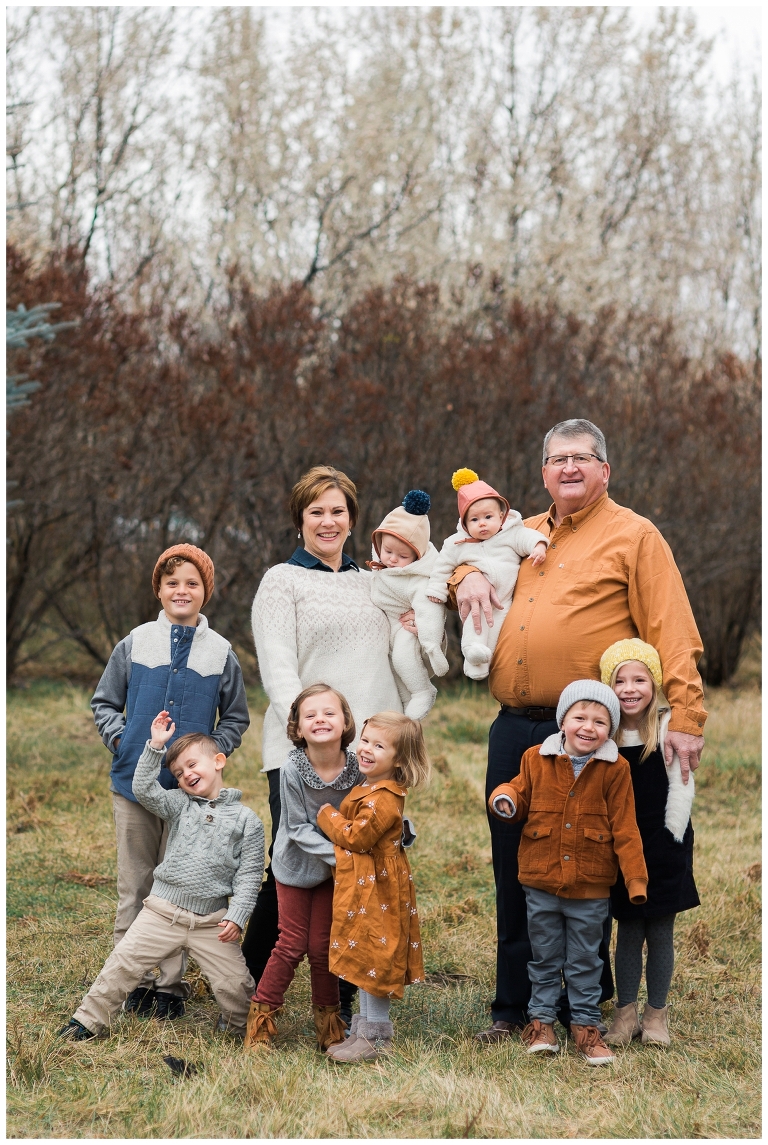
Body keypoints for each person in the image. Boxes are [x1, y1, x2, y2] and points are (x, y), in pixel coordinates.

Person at [450, 420, 707, 1040]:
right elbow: (451, 559)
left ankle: (583, 1008)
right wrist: (467, 577)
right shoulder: (519, 534)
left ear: (605, 470)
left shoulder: (634, 535)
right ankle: (515, 1009)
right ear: (542, 473)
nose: (568, 468)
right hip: (516, 730)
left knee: (589, 867)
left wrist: (688, 717)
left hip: (595, 737)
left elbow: (672, 631)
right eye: (557, 459)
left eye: (582, 458)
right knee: (517, 867)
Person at [243, 466, 412, 1026]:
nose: (328, 521)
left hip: (368, 757)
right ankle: (249, 984)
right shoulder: (281, 582)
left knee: (362, 871)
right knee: (294, 865)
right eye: (316, 511)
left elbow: (401, 653)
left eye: (337, 510)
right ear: (300, 521)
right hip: (305, 751)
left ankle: (343, 995)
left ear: (352, 519)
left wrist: (414, 622)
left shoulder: (374, 582)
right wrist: (317, 733)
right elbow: (279, 667)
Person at [90, 544, 250, 1019]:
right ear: (159, 589)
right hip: (134, 787)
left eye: (192, 583)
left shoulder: (220, 652)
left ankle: (169, 987)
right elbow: (104, 703)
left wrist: (212, 754)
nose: (182, 590)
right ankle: (131, 980)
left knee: (181, 885)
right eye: (172, 582)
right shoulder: (136, 642)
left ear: (206, 592)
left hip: (191, 797)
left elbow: (236, 717)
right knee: (136, 885)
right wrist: (124, 742)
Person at [58, 713, 263, 1041]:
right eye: (180, 774)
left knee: (236, 986)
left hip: (212, 922)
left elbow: (250, 875)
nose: (187, 775)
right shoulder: (180, 805)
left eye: (193, 765)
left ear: (219, 761)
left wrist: (237, 916)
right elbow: (143, 789)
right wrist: (154, 746)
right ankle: (87, 1022)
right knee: (121, 964)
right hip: (161, 912)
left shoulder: (247, 820)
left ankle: (241, 1030)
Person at [489, 681, 648, 1065]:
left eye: (599, 721)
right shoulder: (534, 757)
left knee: (584, 961)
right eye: (579, 717)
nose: (588, 727)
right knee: (543, 957)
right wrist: (505, 798)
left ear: (610, 729)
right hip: (541, 881)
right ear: (563, 721)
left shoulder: (615, 769)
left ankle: (585, 1028)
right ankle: (541, 1023)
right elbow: (518, 790)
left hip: (591, 887)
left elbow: (626, 827)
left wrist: (636, 879)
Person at [244, 684, 360, 1053]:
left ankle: (329, 1024)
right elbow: (293, 829)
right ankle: (260, 1020)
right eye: (310, 715)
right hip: (293, 867)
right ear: (296, 727)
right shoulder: (290, 770)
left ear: (345, 722)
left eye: (329, 713)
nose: (320, 719)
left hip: (332, 873)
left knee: (323, 947)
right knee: (291, 943)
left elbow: (372, 811)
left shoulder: (358, 770)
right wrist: (340, 854)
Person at [600, 639, 700, 1048]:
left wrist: (672, 836)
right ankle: (625, 1014)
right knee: (627, 930)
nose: (629, 688)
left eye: (639, 679)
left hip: (664, 841)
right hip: (622, 846)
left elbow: (683, 786)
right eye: (619, 680)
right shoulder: (604, 732)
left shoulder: (668, 725)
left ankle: (656, 1014)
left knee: (660, 931)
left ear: (654, 683)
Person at [317, 711, 431, 1063]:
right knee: (364, 956)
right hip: (366, 887)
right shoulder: (367, 786)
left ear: (399, 760)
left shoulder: (384, 798)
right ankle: (361, 1034)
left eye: (379, 746)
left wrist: (327, 815)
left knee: (377, 956)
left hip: (380, 890)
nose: (366, 749)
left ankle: (377, 1037)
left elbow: (358, 837)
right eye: (365, 740)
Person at [426, 468, 547, 679]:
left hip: (506, 598)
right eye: (474, 520)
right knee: (476, 622)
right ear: (464, 523)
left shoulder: (511, 534)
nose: (482, 523)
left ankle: (488, 664)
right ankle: (473, 661)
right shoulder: (456, 544)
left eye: (488, 517)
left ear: (502, 516)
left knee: (500, 629)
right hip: (478, 600)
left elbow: (527, 538)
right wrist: (437, 589)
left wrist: (538, 546)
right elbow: (442, 567)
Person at [367, 488, 449, 719]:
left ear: (416, 558)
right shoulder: (378, 570)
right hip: (388, 628)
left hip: (406, 626)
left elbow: (429, 608)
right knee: (394, 666)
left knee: (403, 659)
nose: (392, 559)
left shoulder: (418, 580)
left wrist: (431, 644)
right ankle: (405, 702)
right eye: (388, 551)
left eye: (402, 556)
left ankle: (423, 691)